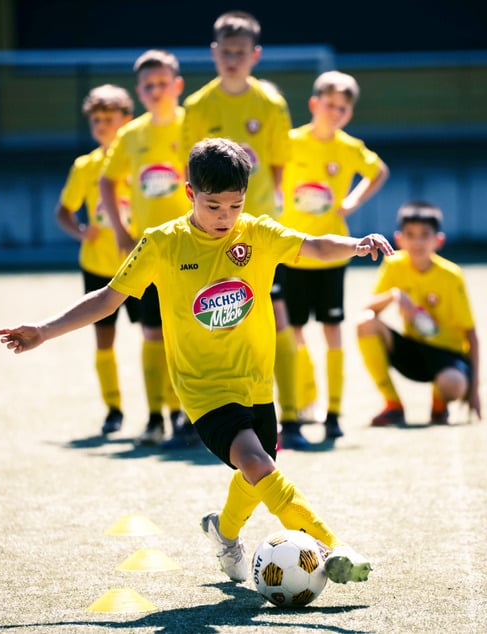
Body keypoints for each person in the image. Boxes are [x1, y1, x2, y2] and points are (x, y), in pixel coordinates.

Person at [0, 137, 392, 585]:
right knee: (258, 463)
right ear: (190, 193)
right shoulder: (162, 243)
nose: (225, 217)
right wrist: (44, 330)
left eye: (235, 206)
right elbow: (107, 299)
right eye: (213, 205)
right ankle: (333, 547)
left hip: (256, 383)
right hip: (203, 387)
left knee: (257, 467)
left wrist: (355, 245)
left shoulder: (258, 234)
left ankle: (224, 532)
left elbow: (314, 246)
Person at [181, 10, 301, 446]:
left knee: (274, 318)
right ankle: (193, 417)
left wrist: (270, 219)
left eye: (241, 52)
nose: (233, 59)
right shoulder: (197, 107)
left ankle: (292, 416)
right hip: (207, 235)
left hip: (256, 233)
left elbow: (279, 166)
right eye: (226, 52)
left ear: (256, 55)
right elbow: (189, 172)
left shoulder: (270, 105)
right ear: (214, 53)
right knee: (202, 318)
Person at [277, 70, 389, 447]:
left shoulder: (349, 148)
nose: (335, 112)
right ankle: (299, 403)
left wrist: (352, 202)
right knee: (292, 331)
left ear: (349, 113)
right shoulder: (289, 142)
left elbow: (379, 171)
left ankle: (334, 414)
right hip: (292, 252)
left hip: (332, 256)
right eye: (330, 104)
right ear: (314, 104)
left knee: (332, 330)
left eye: (343, 108)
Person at [98, 49, 188, 447]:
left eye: (162, 83)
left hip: (191, 248)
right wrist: (120, 230)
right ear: (139, 91)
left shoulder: (194, 126)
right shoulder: (131, 135)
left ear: (177, 85)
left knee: (185, 335)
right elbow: (107, 180)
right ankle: (155, 418)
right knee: (152, 333)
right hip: (149, 250)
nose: (156, 91)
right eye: (148, 85)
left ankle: (185, 413)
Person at [54, 84, 141, 435]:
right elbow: (63, 211)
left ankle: (166, 409)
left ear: (127, 121)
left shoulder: (139, 160)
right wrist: (80, 231)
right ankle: (113, 409)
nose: (102, 125)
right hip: (98, 266)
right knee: (104, 339)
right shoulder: (85, 166)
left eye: (109, 118)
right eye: (96, 120)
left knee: (158, 336)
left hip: (140, 264)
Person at [356, 200, 481, 426]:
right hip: (413, 350)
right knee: (365, 323)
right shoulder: (394, 264)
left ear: (438, 240)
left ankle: (439, 405)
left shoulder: (451, 276)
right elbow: (369, 308)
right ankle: (392, 404)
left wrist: (474, 391)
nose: (417, 242)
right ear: (399, 239)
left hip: (447, 355)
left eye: (425, 235)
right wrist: (394, 295)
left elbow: (471, 334)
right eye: (410, 234)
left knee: (453, 383)